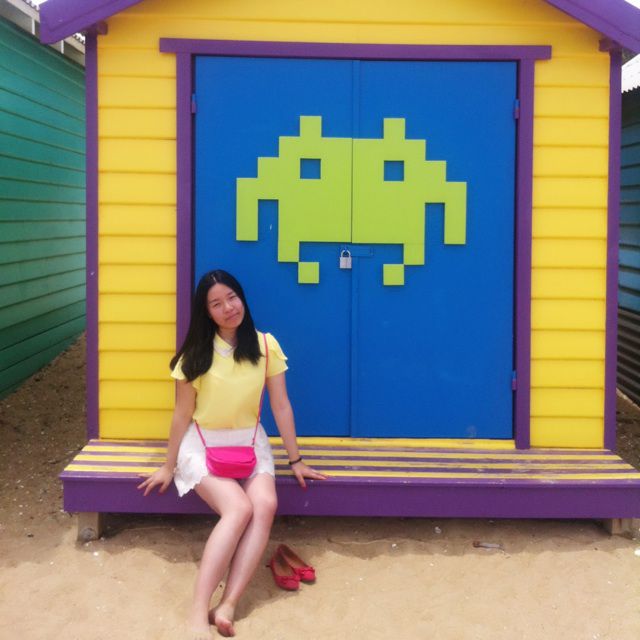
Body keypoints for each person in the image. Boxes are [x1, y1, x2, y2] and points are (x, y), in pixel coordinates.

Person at [137, 269, 327, 639]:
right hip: (202, 444)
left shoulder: (266, 346)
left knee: (265, 505)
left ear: (242, 298)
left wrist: (296, 460)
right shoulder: (194, 356)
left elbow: (281, 405)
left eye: (232, 298)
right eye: (216, 304)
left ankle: (227, 605)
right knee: (238, 508)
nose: (228, 308)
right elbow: (181, 415)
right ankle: (198, 611)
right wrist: (167, 465)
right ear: (206, 312)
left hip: (250, 442)